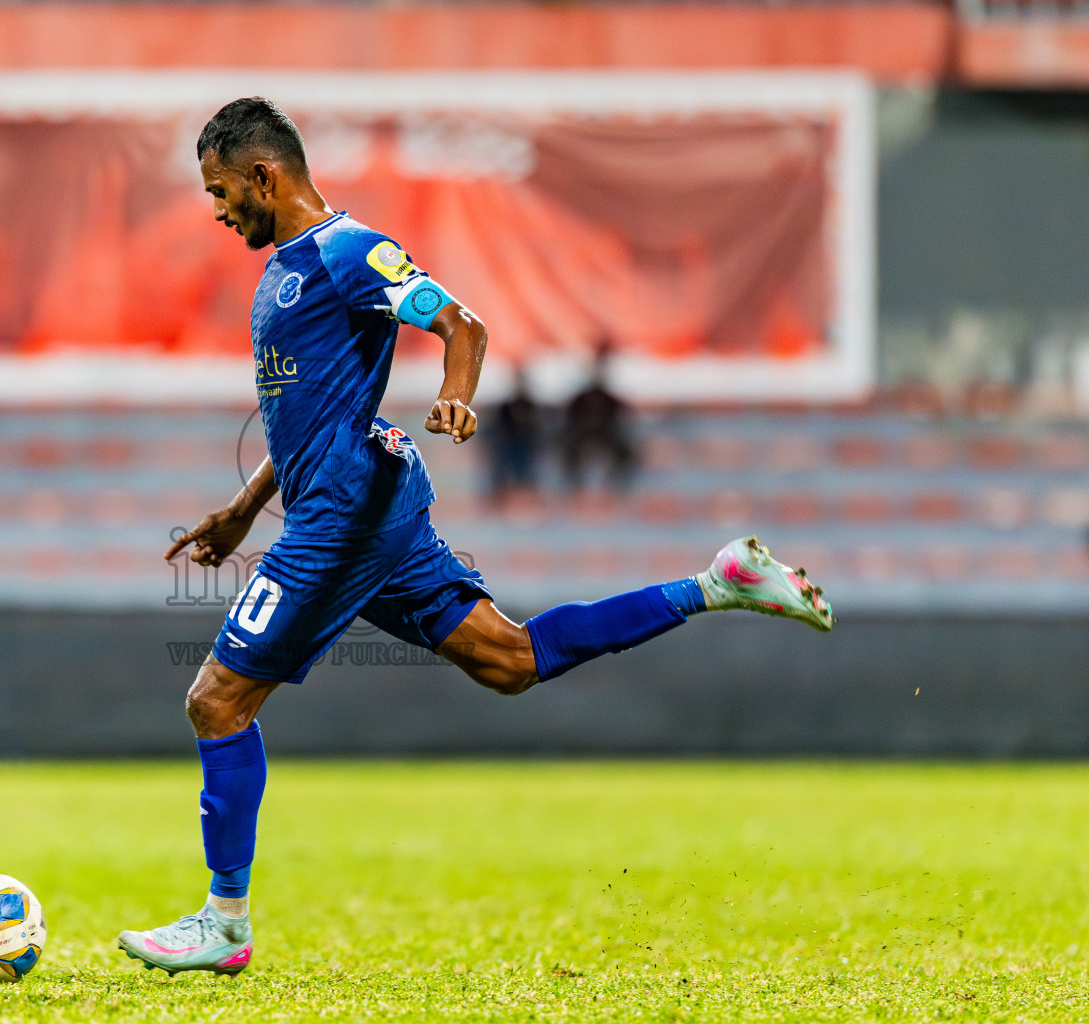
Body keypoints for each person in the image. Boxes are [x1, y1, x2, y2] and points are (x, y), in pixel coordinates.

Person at [116, 98, 833, 976]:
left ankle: (224, 922)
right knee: (511, 660)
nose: (219, 210)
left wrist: (458, 390)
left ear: (263, 175)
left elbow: (463, 323)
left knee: (217, 700)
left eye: (222, 190)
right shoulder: (284, 271)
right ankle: (717, 583)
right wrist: (243, 505)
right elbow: (312, 416)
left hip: (346, 517)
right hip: (356, 501)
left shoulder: (346, 251)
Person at [560, 341, 637, 492]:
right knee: (568, 452)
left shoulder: (607, 397)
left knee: (625, 453)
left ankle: (616, 485)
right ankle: (575, 485)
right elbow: (569, 417)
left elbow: (624, 414)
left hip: (604, 432)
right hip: (583, 433)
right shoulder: (581, 397)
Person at [487, 370, 542, 507]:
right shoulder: (505, 407)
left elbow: (537, 427)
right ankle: (499, 498)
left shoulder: (531, 406)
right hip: (507, 446)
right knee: (502, 467)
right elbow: (497, 427)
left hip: (527, 445)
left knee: (527, 469)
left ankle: (528, 499)